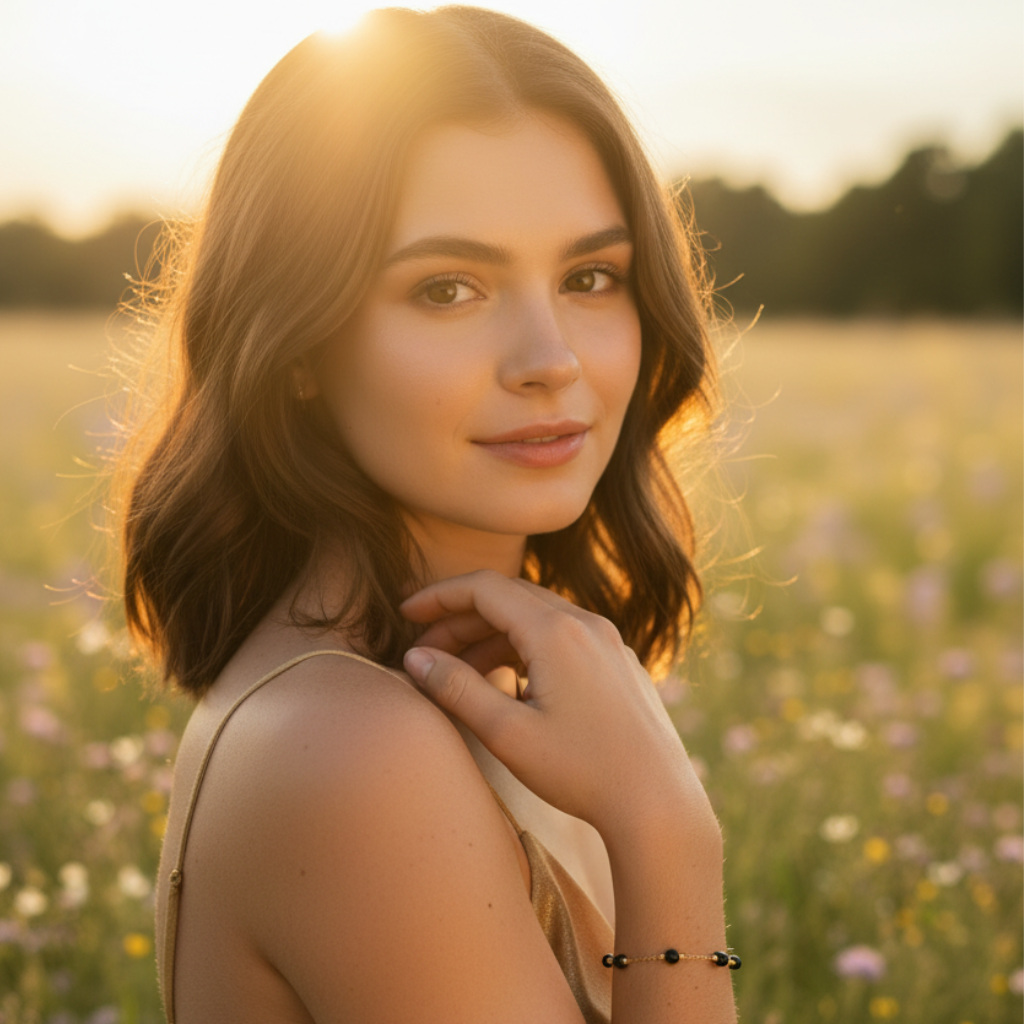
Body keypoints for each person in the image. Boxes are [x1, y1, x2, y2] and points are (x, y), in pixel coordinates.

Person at [113, 5, 739, 1021]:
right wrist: (668, 830)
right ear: (299, 343)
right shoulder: (355, 754)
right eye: (447, 287)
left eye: (590, 276)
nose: (550, 360)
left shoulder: (458, 690)